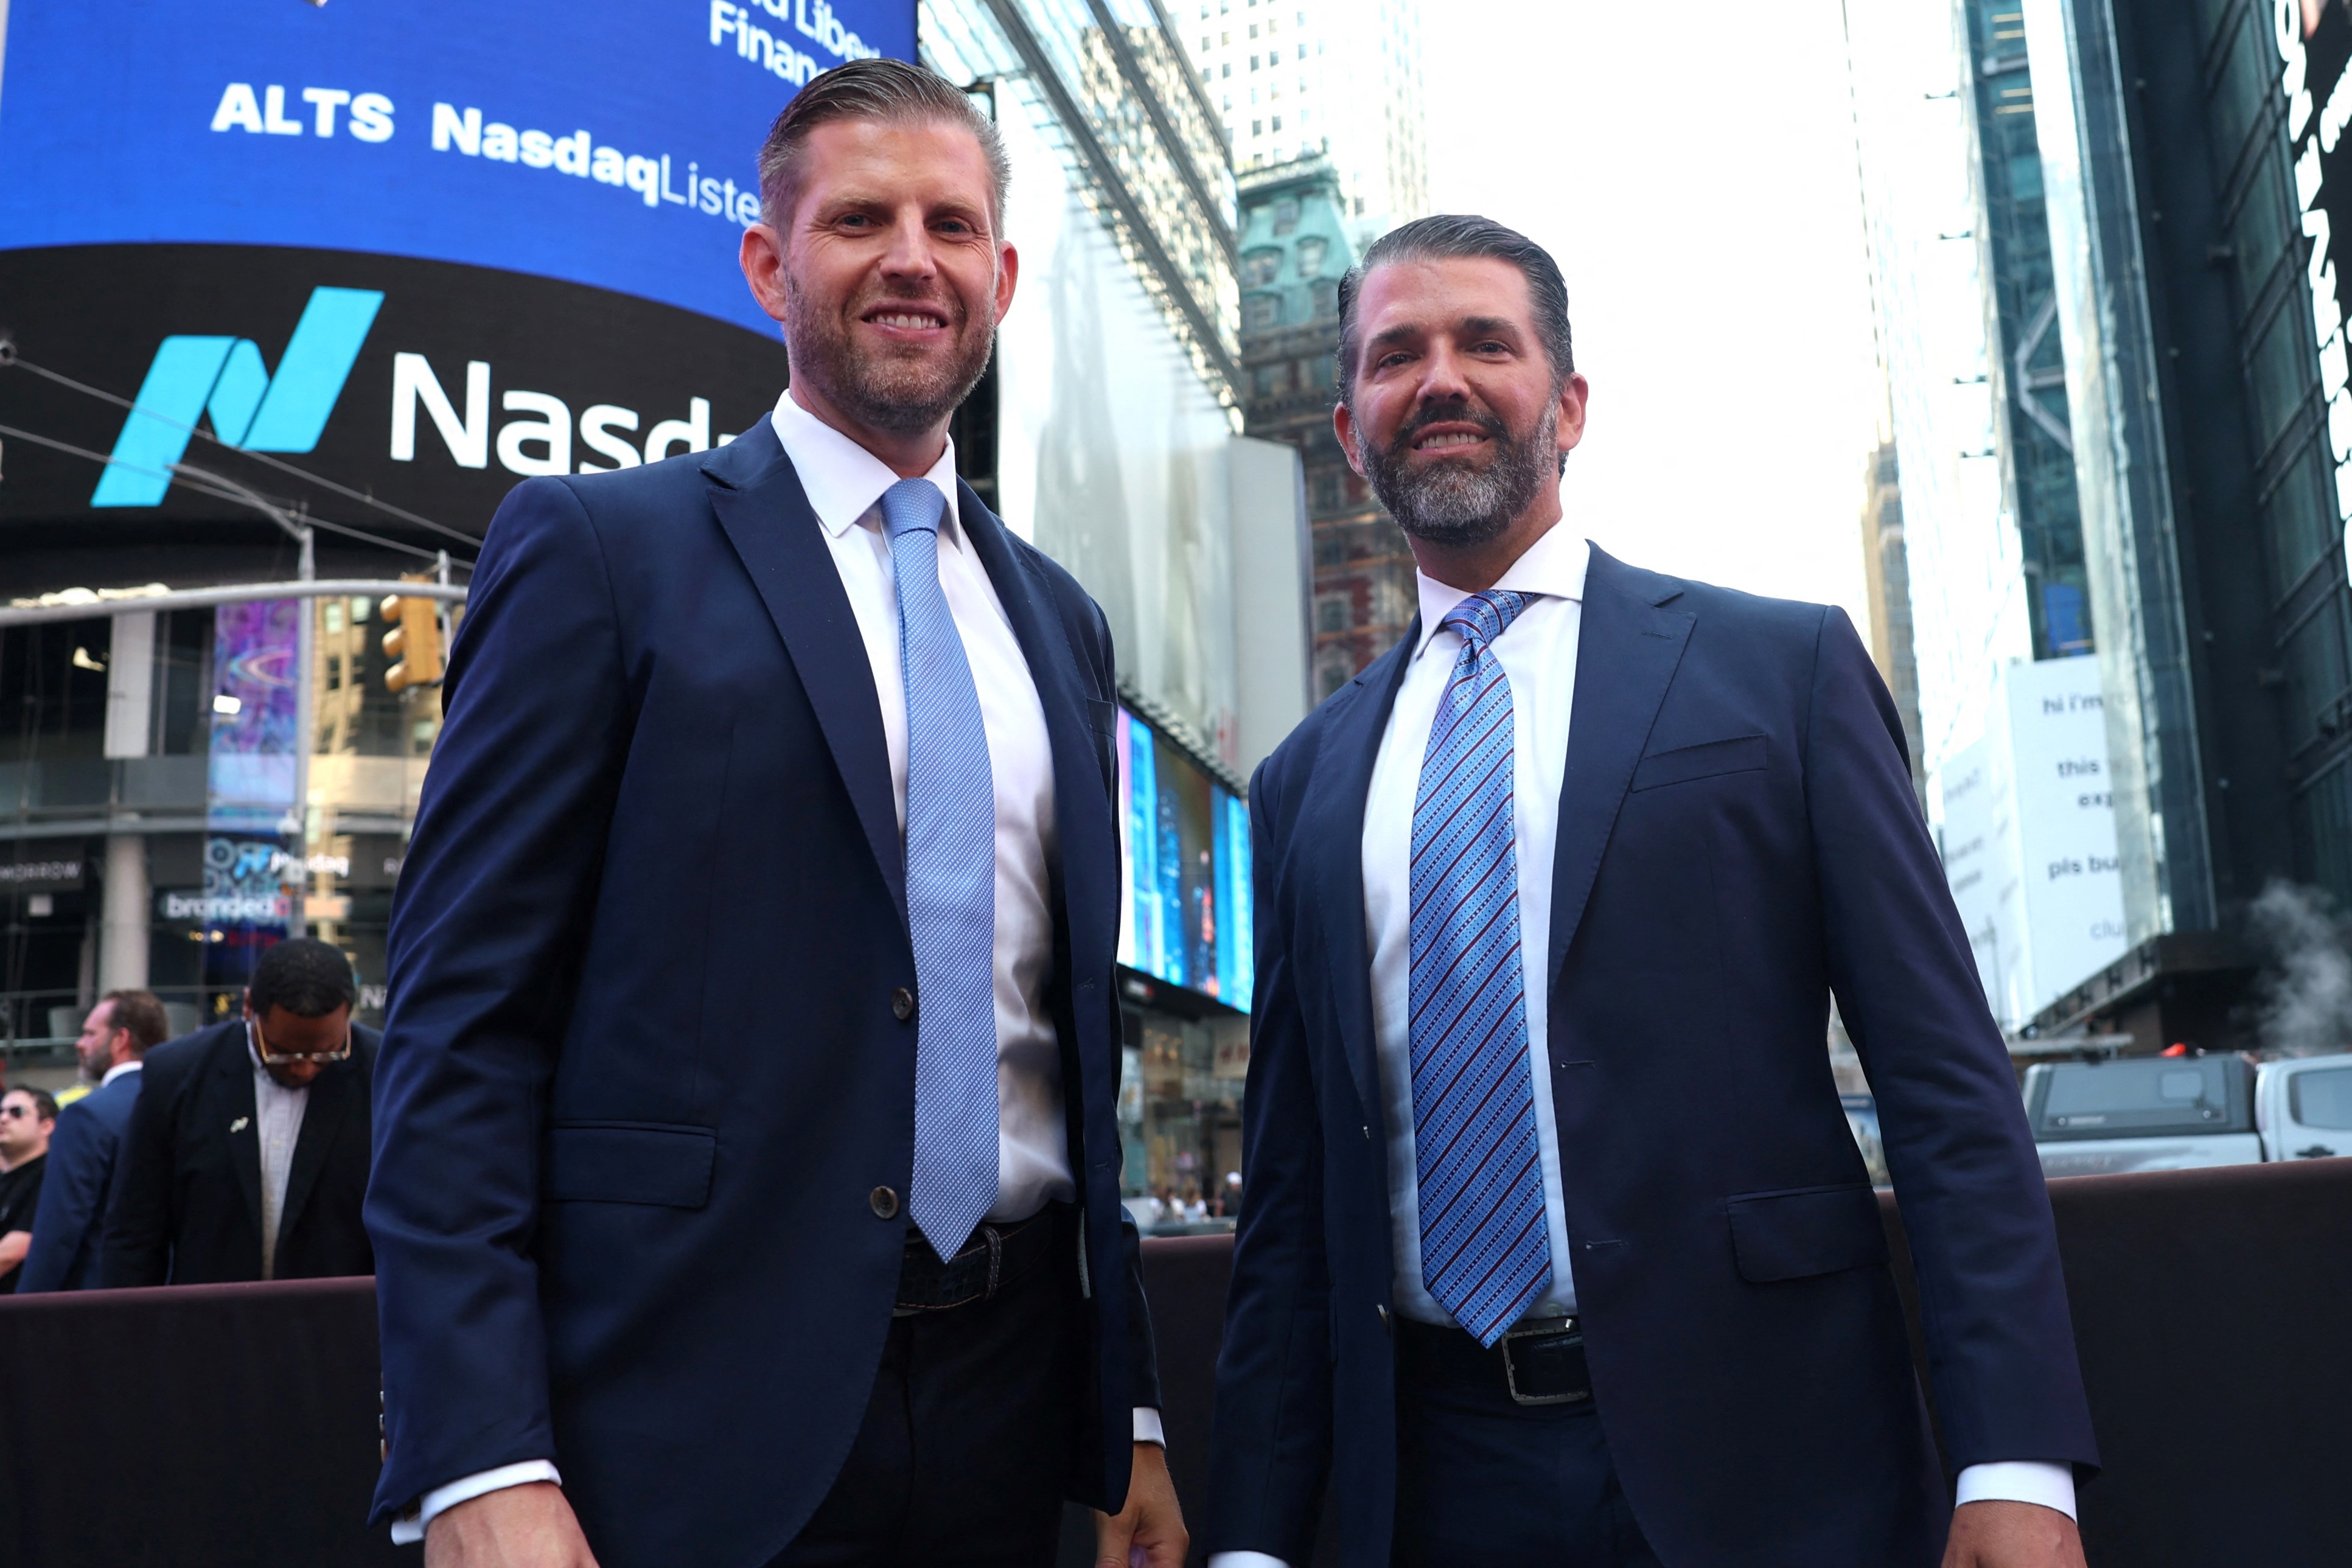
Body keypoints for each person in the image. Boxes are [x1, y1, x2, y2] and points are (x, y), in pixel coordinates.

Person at [366, 57, 1183, 1568]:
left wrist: (1123, 1408)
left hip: (1012, 1416)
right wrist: (475, 1449)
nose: (911, 259)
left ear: (998, 277)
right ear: (768, 263)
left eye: (951, 224)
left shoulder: (1059, 623)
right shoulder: (600, 552)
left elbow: (1073, 1045)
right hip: (684, 1423)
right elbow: (460, 1024)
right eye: (860, 219)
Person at [1206, 216, 2096, 1568]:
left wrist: (2016, 1458)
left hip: (1777, 1462)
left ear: (1566, 406)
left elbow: (1947, 1092)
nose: (1438, 377)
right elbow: (1286, 1193)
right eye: (1397, 355)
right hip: (1435, 1483)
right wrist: (1256, 1542)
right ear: (1349, 429)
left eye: (1484, 343)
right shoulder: (1303, 782)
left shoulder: (1780, 673)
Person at [98, 938, 376, 1287]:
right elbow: (134, 1231)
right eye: (281, 1052)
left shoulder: (384, 1075)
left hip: (339, 1327)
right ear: (248, 1007)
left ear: (349, 1015)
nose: (304, 1069)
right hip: (210, 1325)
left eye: (326, 1053)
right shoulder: (177, 1075)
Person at [16, 989, 169, 1292]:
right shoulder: (183, 1107)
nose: (80, 1043)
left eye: (89, 1034)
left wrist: (23, 1312)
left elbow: (59, 1231)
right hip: (176, 1303)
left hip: (94, 1307)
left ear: (121, 1039)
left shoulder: (86, 1116)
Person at [0, 1086, 58, 1293]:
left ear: (46, 1126)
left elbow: (13, 1252)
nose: (4, 1118)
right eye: (1, 1111)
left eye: (17, 1112)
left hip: (19, 1310)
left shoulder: (51, 1176)